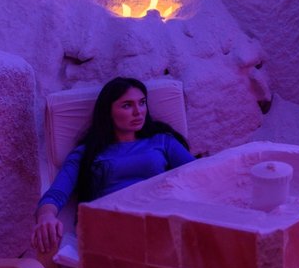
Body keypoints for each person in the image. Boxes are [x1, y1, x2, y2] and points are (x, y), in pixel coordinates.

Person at [31, 77, 195, 255]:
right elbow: (56, 194)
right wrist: (46, 216)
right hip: (109, 225)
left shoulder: (162, 141)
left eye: (142, 103)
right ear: (108, 112)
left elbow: (197, 175)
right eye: (127, 105)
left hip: (157, 219)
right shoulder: (87, 153)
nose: (138, 112)